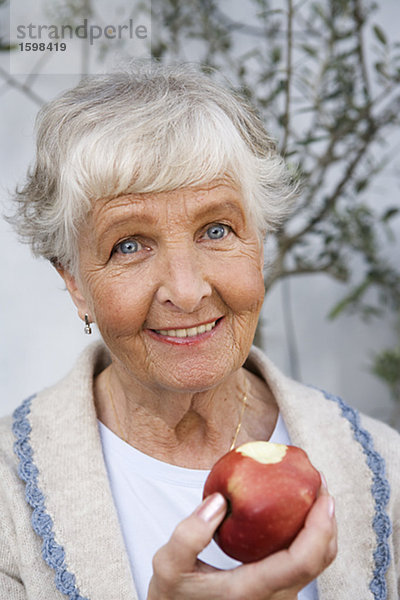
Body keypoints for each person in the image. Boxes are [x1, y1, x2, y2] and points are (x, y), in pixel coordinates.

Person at [0, 61, 398, 600]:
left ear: (260, 243)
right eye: (129, 245)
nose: (186, 292)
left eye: (216, 229)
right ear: (74, 284)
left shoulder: (386, 472)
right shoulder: (9, 502)